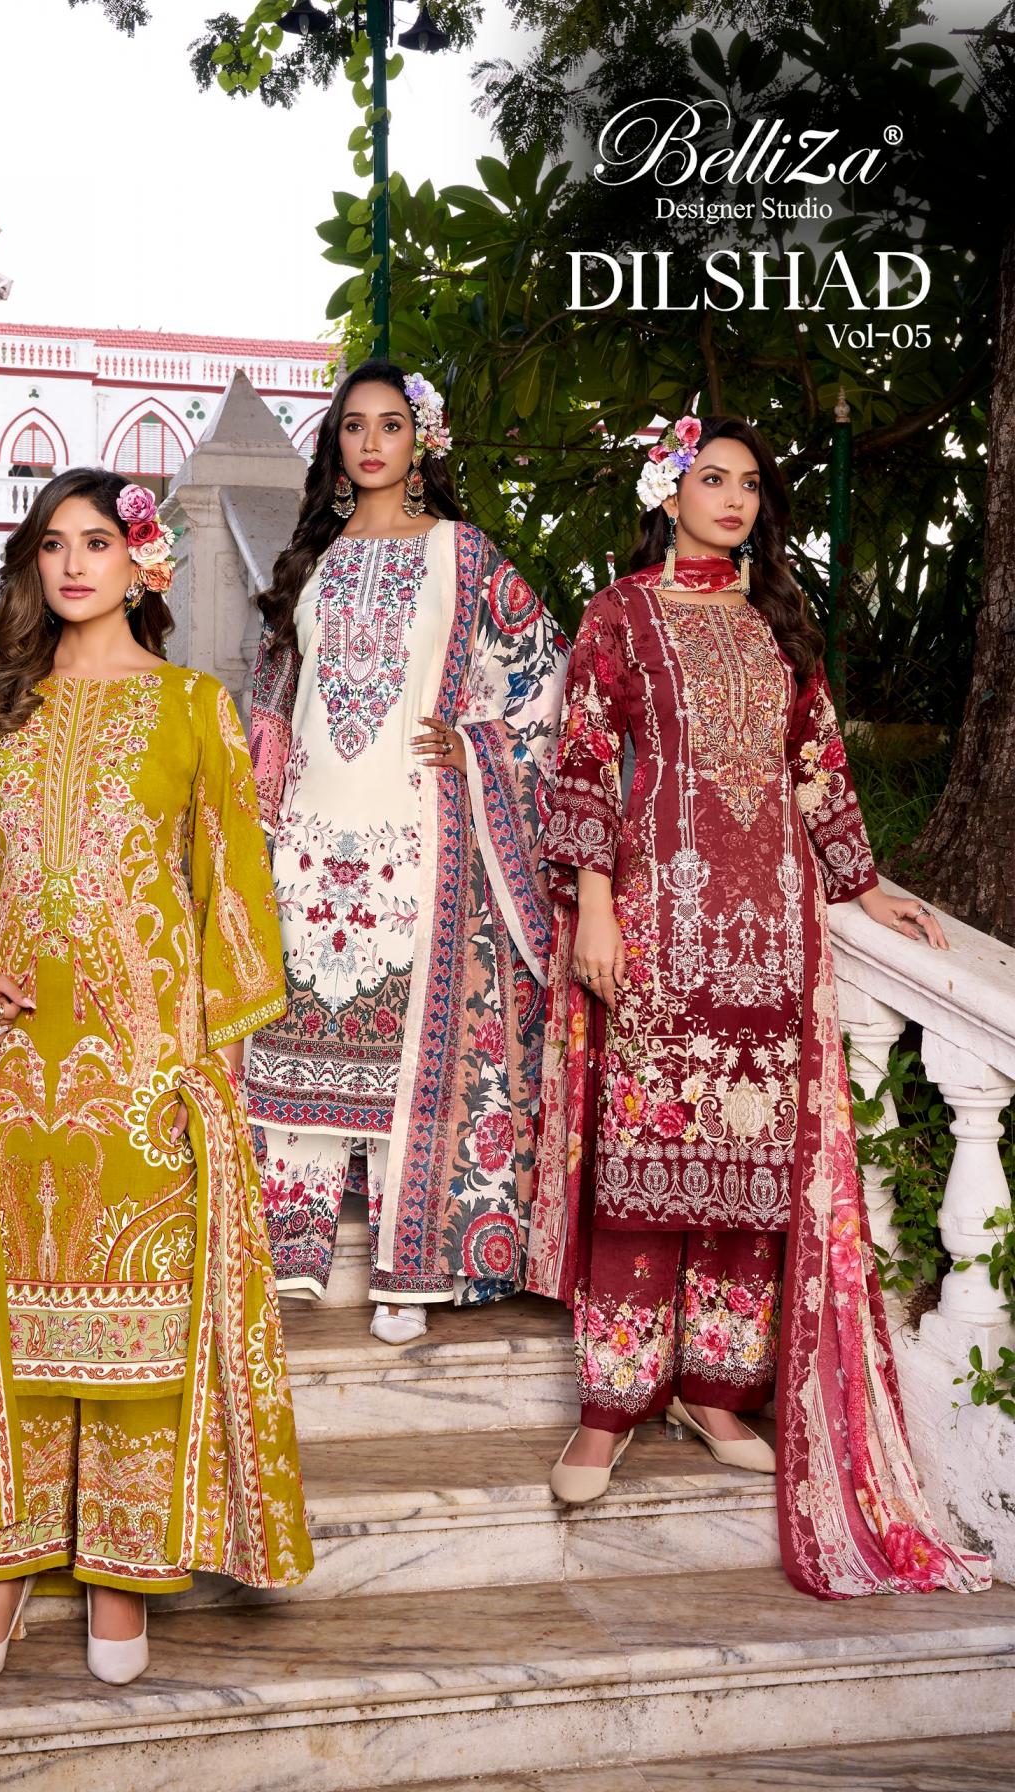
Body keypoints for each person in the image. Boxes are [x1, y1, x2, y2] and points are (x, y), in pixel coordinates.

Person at [0, 468, 312, 1682]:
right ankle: (0, 1568)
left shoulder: (194, 709)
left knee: (137, 1332)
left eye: (97, 542)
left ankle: (120, 1573)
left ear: (141, 564)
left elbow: (230, 895)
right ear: (32, 564)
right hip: (5, 1066)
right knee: (2, 1325)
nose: (73, 563)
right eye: (52, 544)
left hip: (142, 1067)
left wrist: (203, 1066)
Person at [526, 414, 990, 1597]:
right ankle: (609, 1407)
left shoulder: (776, 623)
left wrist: (864, 883)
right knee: (644, 1167)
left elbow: (816, 763)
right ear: (668, 491)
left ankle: (714, 1393)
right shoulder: (619, 615)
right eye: (710, 479)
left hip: (772, 932)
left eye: (747, 485)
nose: (731, 500)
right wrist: (594, 908)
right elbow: (582, 763)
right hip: (660, 923)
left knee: (744, 1169)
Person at [246, 360, 568, 1343]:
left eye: (391, 424)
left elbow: (544, 676)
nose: (372, 442)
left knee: (407, 1046)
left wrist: (476, 743)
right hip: (308, 835)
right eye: (354, 426)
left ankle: (407, 1267)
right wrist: (256, 802)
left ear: (420, 440)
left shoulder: (461, 554)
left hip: (413, 831)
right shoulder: (310, 556)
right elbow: (272, 698)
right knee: (295, 1028)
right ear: (335, 443)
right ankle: (287, 1246)